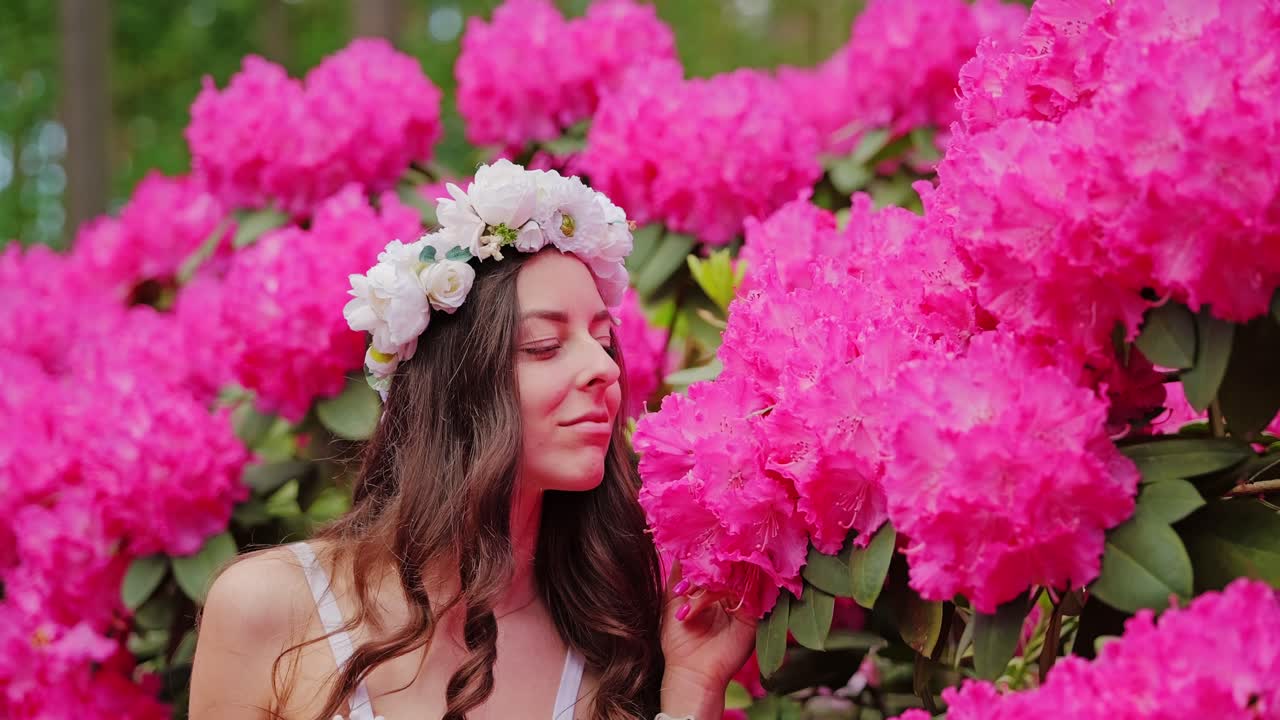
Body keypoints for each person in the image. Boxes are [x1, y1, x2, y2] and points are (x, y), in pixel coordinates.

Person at [189, 161, 756, 720]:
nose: (604, 369)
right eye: (543, 345)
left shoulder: (610, 635)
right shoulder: (268, 608)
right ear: (454, 389)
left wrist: (691, 689)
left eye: (604, 341)